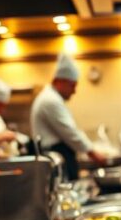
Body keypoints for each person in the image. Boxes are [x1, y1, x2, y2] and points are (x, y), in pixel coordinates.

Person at [30, 52, 106, 180]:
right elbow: (70, 132)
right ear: (60, 81)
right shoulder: (50, 100)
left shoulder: (51, 98)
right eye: (72, 85)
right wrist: (92, 153)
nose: (74, 91)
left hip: (59, 155)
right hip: (55, 157)